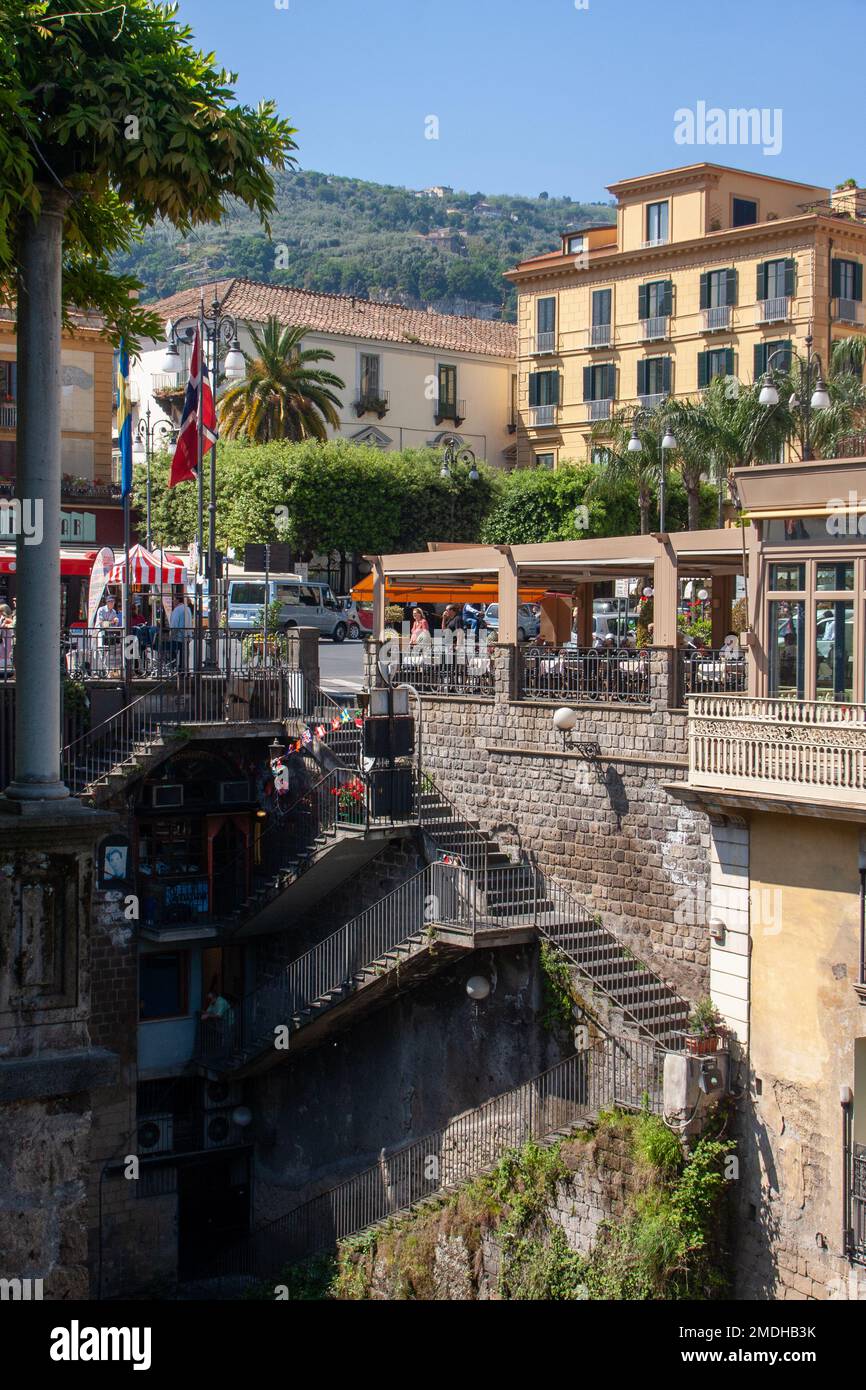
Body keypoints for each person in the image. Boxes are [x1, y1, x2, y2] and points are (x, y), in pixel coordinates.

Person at [169, 593, 192, 670]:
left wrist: (171, 636)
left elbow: (174, 625)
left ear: (178, 600)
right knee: (184, 655)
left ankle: (175, 668)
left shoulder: (177, 610)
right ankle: (184, 670)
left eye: (174, 599)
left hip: (178, 637)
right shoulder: (187, 608)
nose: (173, 601)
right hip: (187, 636)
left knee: (175, 654)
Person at [0, 602, 13, 673]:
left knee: (6, 654)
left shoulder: (6, 619)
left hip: (7, 640)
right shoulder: (3, 619)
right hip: (4, 640)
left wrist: (6, 625)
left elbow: (11, 625)